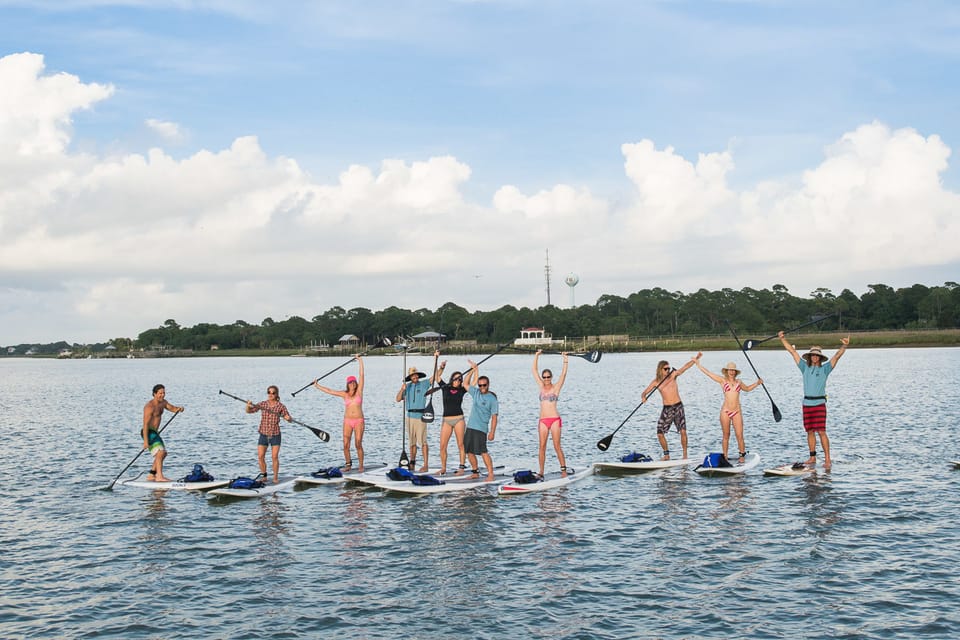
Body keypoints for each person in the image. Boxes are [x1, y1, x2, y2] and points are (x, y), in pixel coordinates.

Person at [778, 333, 850, 469]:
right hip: (807, 404)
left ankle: (828, 459)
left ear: (820, 357)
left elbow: (837, 356)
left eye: (817, 355)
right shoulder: (804, 367)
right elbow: (792, 352)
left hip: (819, 404)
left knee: (821, 431)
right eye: (813, 355)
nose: (815, 357)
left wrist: (844, 345)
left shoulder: (825, 369)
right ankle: (812, 457)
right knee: (809, 431)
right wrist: (782, 339)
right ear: (810, 357)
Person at [694, 354, 762, 464]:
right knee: (726, 435)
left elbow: (748, 389)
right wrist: (698, 364)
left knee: (739, 435)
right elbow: (709, 374)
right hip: (725, 411)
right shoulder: (722, 381)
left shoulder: (739, 382)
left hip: (737, 411)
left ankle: (742, 455)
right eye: (730, 370)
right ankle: (725, 456)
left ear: (735, 372)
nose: (732, 372)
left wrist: (757, 383)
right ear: (727, 371)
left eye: (733, 370)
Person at [314, 355, 366, 472]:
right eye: (350, 382)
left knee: (358, 443)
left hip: (358, 421)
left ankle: (361, 465)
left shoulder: (359, 391)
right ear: (347, 384)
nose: (352, 384)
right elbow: (330, 391)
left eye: (353, 382)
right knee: (346, 444)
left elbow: (362, 375)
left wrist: (360, 360)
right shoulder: (344, 394)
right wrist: (317, 386)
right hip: (347, 421)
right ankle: (348, 465)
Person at [640, 356, 698, 460]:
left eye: (668, 368)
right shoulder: (656, 382)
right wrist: (643, 397)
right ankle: (666, 455)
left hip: (678, 406)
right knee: (660, 433)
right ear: (660, 370)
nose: (668, 370)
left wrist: (694, 361)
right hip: (667, 409)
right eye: (665, 369)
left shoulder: (673, 375)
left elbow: (684, 368)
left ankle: (685, 455)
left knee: (683, 431)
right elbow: (644, 392)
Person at [396, 354, 439, 472]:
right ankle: (412, 463)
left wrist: (439, 365)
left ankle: (426, 464)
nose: (414, 377)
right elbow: (398, 399)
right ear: (410, 377)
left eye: (415, 375)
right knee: (412, 442)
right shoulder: (407, 387)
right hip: (409, 417)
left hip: (420, 416)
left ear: (417, 375)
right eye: (412, 375)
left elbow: (435, 377)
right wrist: (402, 389)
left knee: (423, 441)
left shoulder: (424, 384)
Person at [533, 349, 569, 477]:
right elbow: (534, 371)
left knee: (556, 445)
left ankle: (563, 470)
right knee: (542, 446)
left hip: (554, 419)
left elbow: (563, 375)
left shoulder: (556, 388)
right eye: (545, 377)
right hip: (543, 420)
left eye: (548, 377)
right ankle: (541, 472)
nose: (546, 379)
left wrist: (565, 359)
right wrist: (537, 355)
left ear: (551, 377)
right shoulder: (541, 386)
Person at [246, 385, 292, 483]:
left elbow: (288, 418)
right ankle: (264, 476)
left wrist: (288, 419)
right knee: (260, 456)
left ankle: (275, 478)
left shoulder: (281, 406)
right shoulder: (263, 404)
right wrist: (248, 405)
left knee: (274, 457)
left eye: (273, 393)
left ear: (276, 394)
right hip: (263, 434)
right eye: (269, 392)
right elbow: (249, 411)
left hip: (275, 434)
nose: (271, 394)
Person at [463, 359, 499, 480]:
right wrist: (473, 370)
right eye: (480, 385)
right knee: (468, 451)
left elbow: (494, 417)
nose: (482, 387)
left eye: (484, 385)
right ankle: (475, 472)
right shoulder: (476, 392)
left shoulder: (492, 399)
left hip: (481, 428)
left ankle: (490, 474)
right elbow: (465, 384)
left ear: (488, 385)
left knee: (483, 451)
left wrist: (492, 432)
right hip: (470, 426)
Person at [142, 384, 184, 482]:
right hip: (149, 432)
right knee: (161, 453)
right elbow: (145, 425)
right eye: (160, 393)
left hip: (155, 433)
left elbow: (173, 408)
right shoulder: (149, 407)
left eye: (164, 393)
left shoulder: (163, 403)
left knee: (163, 454)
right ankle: (159, 477)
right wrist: (145, 442)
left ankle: (152, 475)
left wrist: (179, 409)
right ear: (154, 394)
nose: (162, 395)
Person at [435, 354, 468, 475]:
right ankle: (443, 468)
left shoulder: (462, 390)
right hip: (446, 420)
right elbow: (436, 377)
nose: (458, 381)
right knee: (442, 446)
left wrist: (474, 370)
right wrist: (441, 366)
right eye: (456, 378)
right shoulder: (445, 387)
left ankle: (461, 468)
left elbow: (473, 382)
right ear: (452, 378)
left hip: (459, 419)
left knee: (460, 444)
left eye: (460, 379)